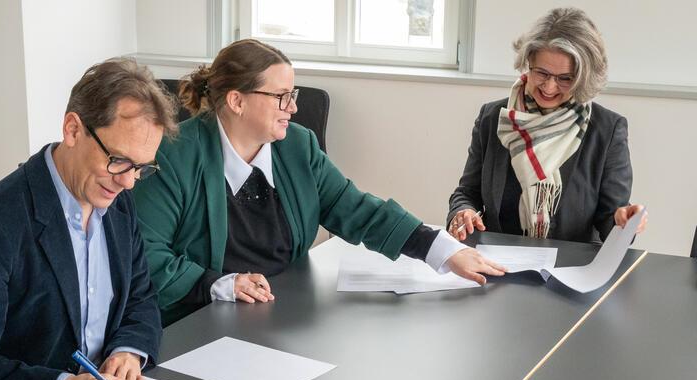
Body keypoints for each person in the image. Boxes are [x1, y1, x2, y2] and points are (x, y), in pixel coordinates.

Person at [133, 39, 506, 325]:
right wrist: (221, 284)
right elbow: (145, 255)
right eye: (281, 97)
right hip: (199, 320)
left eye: (292, 96)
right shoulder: (172, 155)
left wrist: (441, 249)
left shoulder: (297, 144)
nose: (293, 108)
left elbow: (358, 210)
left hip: (283, 312)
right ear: (236, 101)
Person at [0, 58, 178, 380]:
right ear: (73, 129)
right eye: (119, 161)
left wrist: (129, 351)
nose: (130, 182)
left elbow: (141, 297)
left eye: (142, 168)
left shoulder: (115, 200)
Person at [447, 8, 648, 243]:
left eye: (565, 78)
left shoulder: (607, 130)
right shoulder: (494, 118)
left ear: (584, 78)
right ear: (527, 63)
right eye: (541, 73)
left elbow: (609, 221)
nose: (549, 87)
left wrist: (623, 221)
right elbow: (467, 193)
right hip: (496, 264)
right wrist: (463, 212)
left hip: (573, 270)